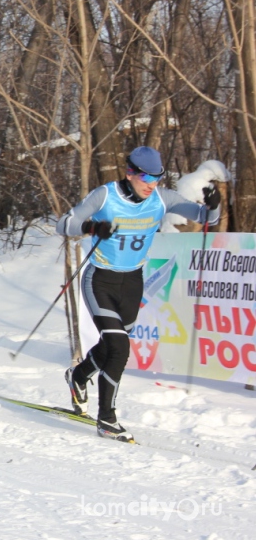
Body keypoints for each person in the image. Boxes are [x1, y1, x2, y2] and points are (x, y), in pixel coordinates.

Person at [57, 146, 220, 442]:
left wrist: (214, 204)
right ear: (130, 172)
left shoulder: (161, 198)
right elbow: (64, 224)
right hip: (100, 281)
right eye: (145, 177)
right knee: (119, 347)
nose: (151, 184)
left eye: (157, 177)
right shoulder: (106, 195)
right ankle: (107, 419)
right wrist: (92, 226)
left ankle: (78, 376)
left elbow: (205, 217)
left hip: (132, 282)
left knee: (110, 348)